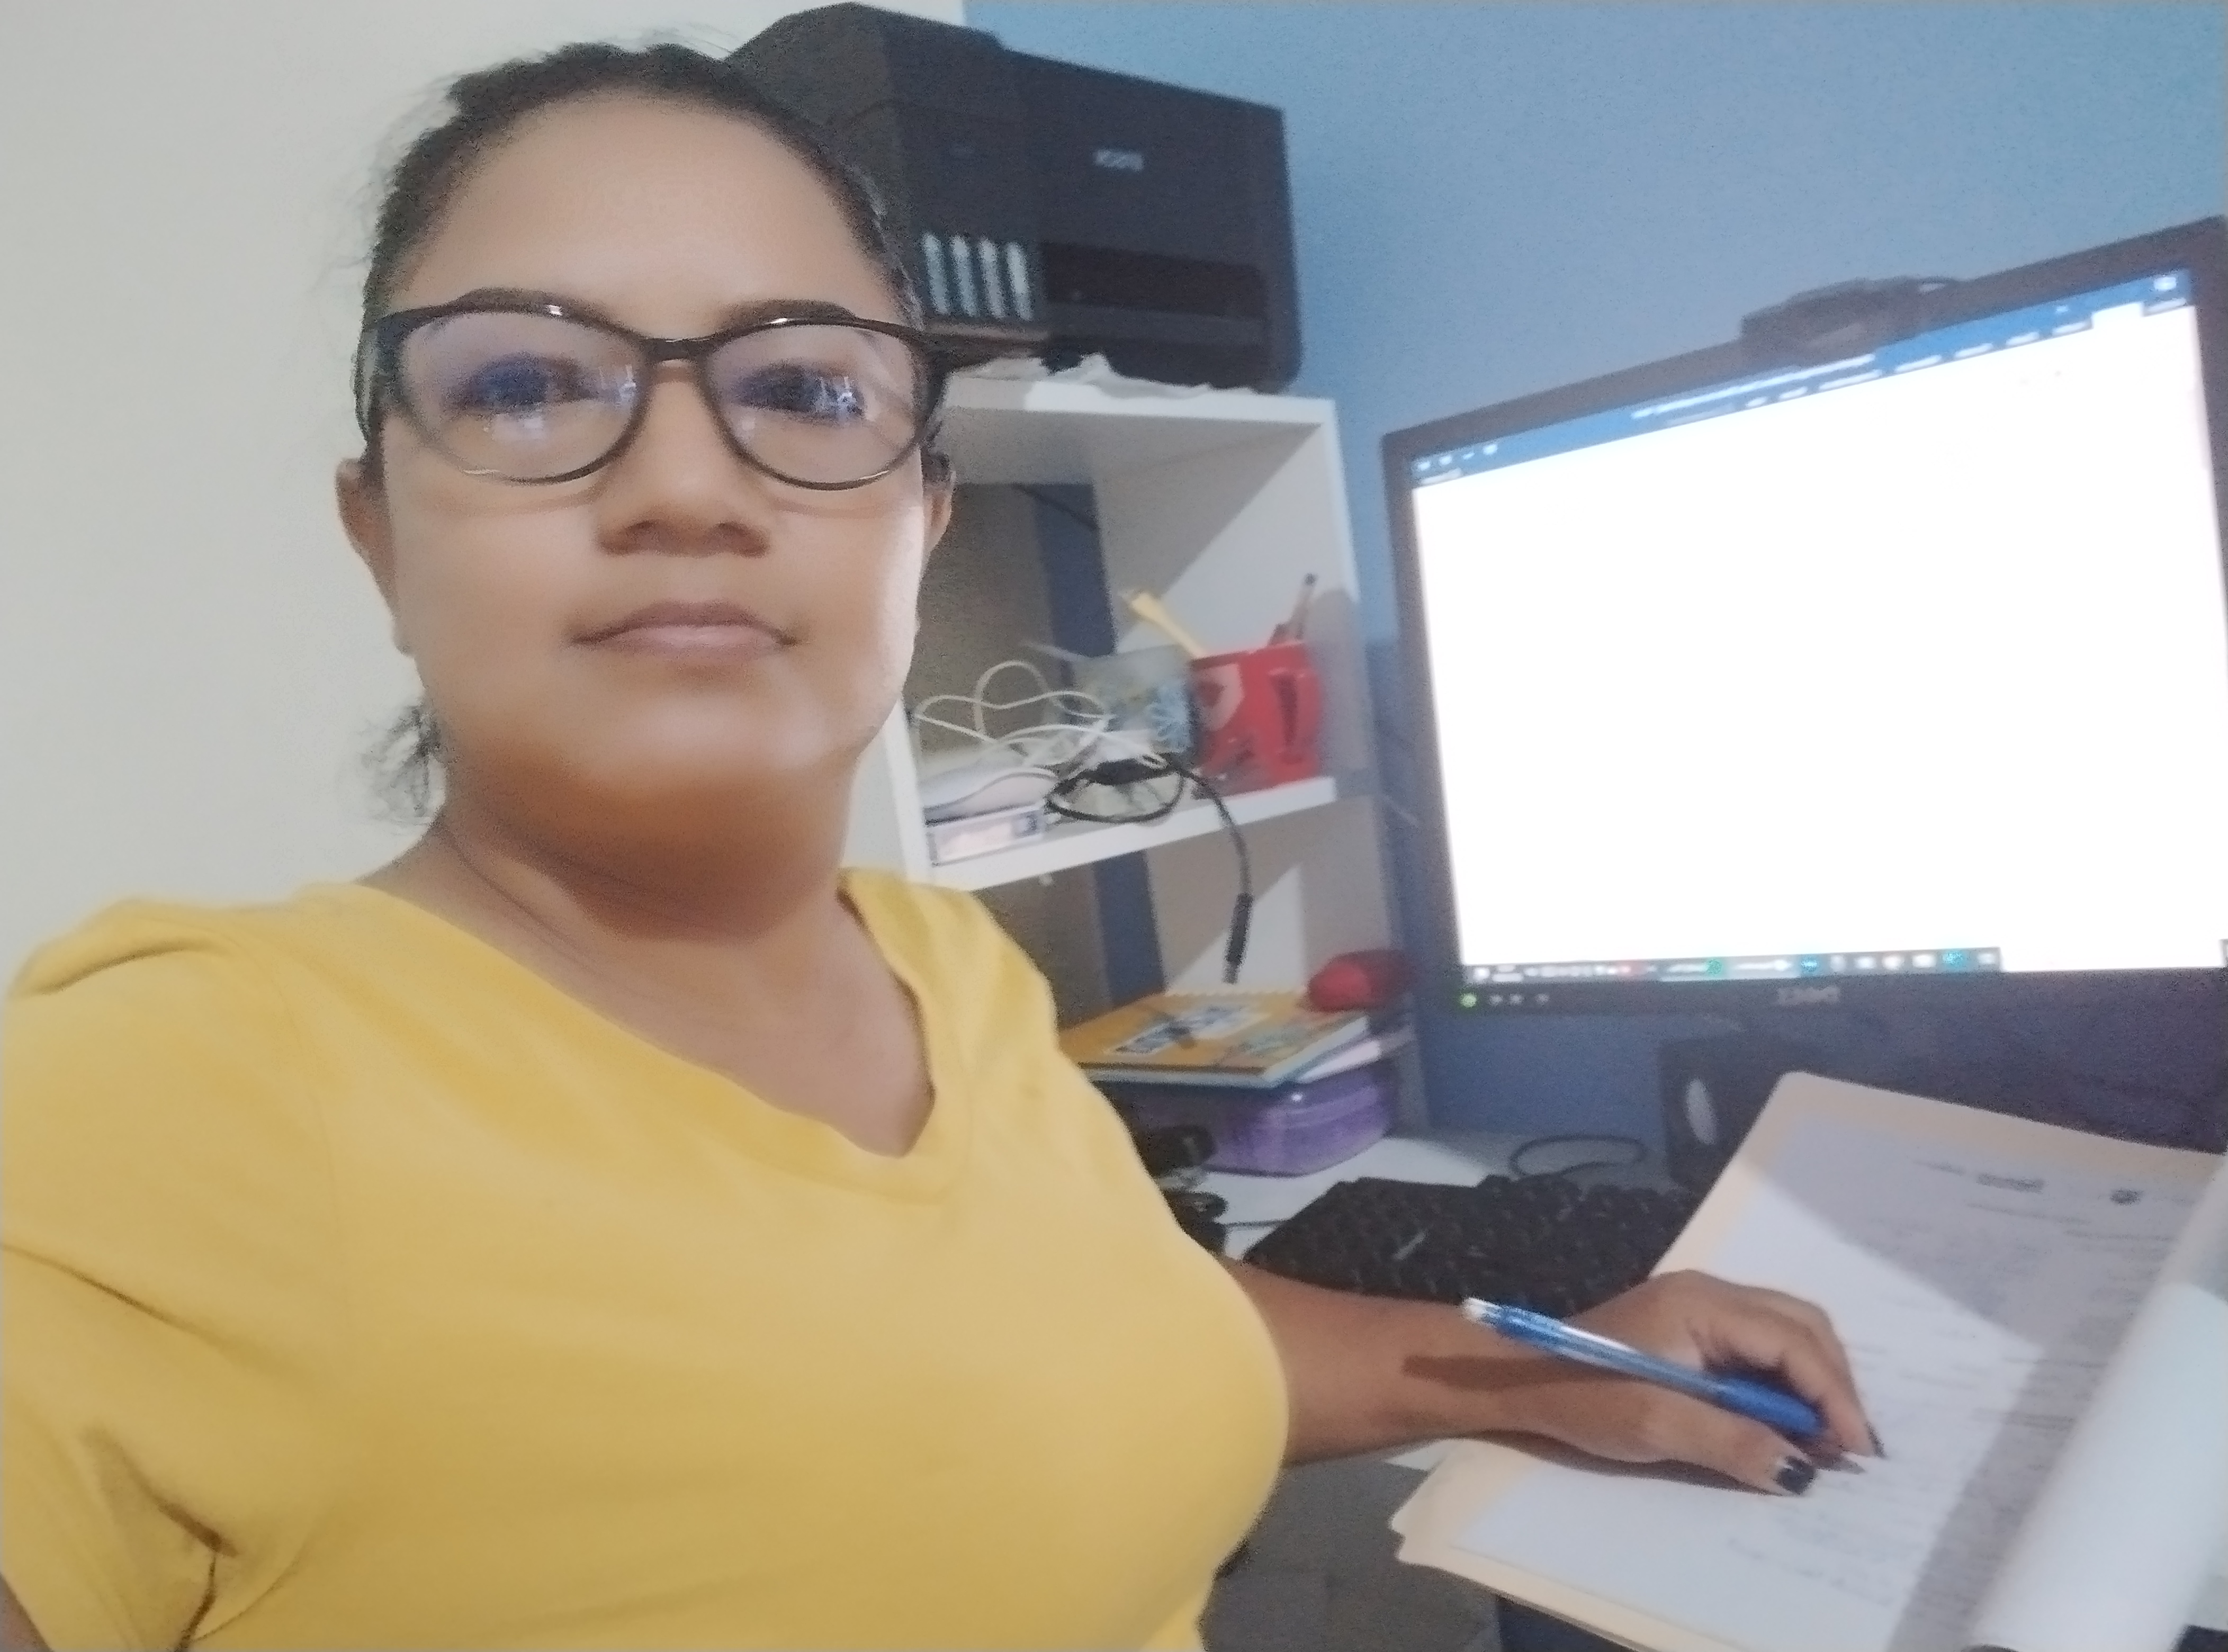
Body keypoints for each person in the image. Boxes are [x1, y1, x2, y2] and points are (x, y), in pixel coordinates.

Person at [0, 41, 1876, 1652]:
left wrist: (1548, 1365)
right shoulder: (168, 1092)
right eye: (525, 385)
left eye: (804, 391)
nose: (683, 483)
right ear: (379, 536)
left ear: (921, 518)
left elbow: (1115, 1333)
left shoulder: (945, 966)